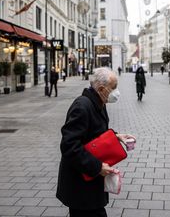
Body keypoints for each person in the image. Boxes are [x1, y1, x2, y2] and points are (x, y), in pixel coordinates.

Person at [56, 67, 135, 217]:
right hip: (80, 185)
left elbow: (96, 132)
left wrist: (116, 136)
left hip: (89, 182)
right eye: (114, 88)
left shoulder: (98, 102)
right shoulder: (82, 106)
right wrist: (97, 167)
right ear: (100, 88)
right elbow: (69, 146)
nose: (116, 92)